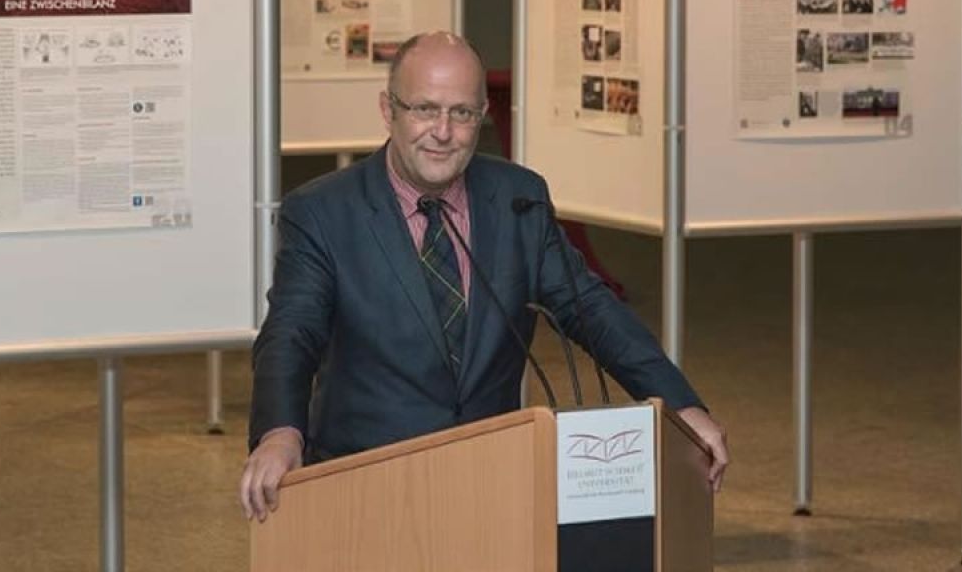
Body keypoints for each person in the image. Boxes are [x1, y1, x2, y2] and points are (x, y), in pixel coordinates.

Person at [239, 32, 728, 521]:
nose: (443, 132)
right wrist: (281, 431)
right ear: (388, 110)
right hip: (368, 485)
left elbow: (593, 310)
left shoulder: (518, 198)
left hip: (491, 483)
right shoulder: (324, 211)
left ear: (482, 115)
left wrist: (680, 408)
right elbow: (291, 332)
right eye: (425, 109)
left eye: (463, 113)